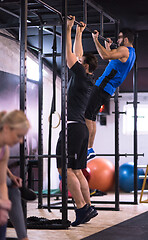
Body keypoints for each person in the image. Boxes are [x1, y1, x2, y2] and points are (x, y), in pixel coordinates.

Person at [56, 16, 98, 227]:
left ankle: (81, 209)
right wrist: (79, 33)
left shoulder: (81, 75)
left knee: (66, 169)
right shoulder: (87, 77)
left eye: (81, 63)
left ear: (85, 67)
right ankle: (88, 207)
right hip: (78, 128)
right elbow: (78, 55)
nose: (78, 62)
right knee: (77, 169)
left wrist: (68, 29)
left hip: (72, 129)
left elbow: (69, 55)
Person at [85, 28, 136, 159]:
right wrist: (108, 47)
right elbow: (112, 62)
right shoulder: (132, 53)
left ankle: (87, 147)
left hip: (103, 86)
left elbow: (104, 56)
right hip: (107, 89)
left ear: (125, 39)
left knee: (87, 116)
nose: (117, 41)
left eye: (119, 38)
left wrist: (95, 39)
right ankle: (89, 148)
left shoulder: (125, 50)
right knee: (91, 117)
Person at [0, 110, 30, 240]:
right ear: (6, 128)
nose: (21, 141)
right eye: (18, 136)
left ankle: (23, 237)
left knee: (11, 187)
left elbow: (2, 182)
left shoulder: (4, 150)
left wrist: (4, 205)